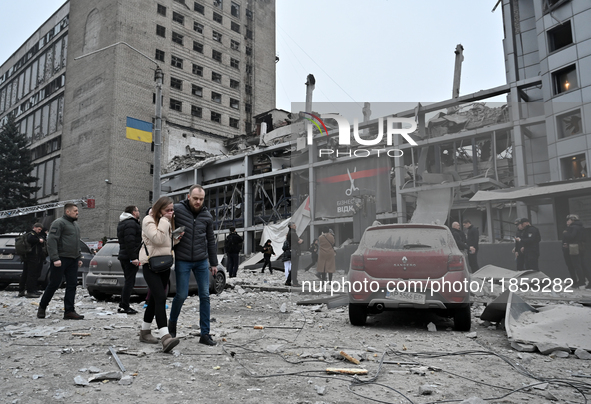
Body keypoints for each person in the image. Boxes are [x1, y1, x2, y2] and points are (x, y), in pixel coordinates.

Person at [169, 185, 218, 346]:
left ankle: (205, 334)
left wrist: (214, 263)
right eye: (195, 198)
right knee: (181, 295)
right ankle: (171, 328)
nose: (198, 201)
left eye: (201, 199)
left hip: (201, 260)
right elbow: (159, 211)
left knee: (205, 295)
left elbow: (211, 241)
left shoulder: (207, 216)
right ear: (188, 196)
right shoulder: (177, 209)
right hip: (182, 259)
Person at [138, 196, 180, 352]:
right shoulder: (148, 220)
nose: (170, 213)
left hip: (164, 264)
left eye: (172, 210)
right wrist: (164, 220)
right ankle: (165, 337)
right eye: (167, 210)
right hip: (150, 264)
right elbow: (156, 239)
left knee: (156, 299)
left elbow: (165, 242)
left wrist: (175, 238)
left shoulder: (166, 222)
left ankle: (144, 331)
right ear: (159, 210)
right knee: (161, 297)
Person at [37, 204, 84, 320]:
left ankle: (69, 311)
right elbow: (52, 241)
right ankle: (42, 307)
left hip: (73, 260)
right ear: (67, 212)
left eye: (77, 210)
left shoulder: (75, 225)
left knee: (72, 285)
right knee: (54, 284)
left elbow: (76, 242)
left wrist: (79, 257)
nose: (77, 212)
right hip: (61, 259)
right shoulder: (59, 223)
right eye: (75, 211)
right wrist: (55, 258)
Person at [117, 205, 142, 314]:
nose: (139, 212)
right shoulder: (131, 223)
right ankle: (125, 305)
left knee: (128, 280)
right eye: (137, 210)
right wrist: (134, 258)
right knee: (129, 282)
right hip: (129, 257)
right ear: (133, 212)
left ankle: (123, 304)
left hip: (125, 256)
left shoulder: (124, 222)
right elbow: (130, 242)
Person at [18, 223, 46, 298]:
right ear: (35, 227)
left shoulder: (29, 234)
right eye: (39, 229)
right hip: (32, 258)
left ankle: (23, 290)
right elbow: (31, 239)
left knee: (26, 274)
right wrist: (39, 240)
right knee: (32, 274)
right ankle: (30, 291)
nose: (40, 231)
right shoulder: (32, 234)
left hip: (29, 257)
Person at [562, 214, 590, 288]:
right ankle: (585, 280)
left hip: (574, 248)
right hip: (581, 248)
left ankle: (581, 281)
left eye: (568, 220)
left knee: (576, 265)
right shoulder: (581, 227)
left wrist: (565, 233)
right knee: (583, 265)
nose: (567, 222)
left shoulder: (572, 227)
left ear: (573, 220)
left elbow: (571, 236)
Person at [285, 222, 303, 287]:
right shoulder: (293, 233)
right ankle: (295, 282)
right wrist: (301, 241)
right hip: (295, 252)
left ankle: (288, 281)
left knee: (293, 267)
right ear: (291, 226)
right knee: (294, 268)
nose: (295, 226)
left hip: (292, 251)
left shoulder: (289, 233)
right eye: (294, 225)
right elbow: (299, 241)